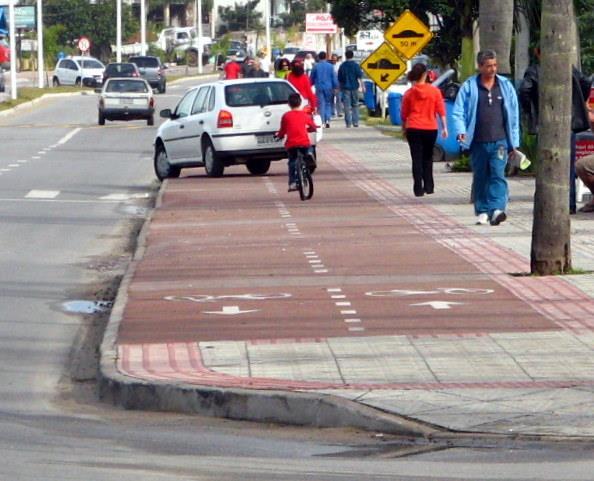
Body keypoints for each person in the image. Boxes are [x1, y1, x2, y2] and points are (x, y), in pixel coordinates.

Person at [519, 48, 592, 213]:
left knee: (547, 165)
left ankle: (549, 204)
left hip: (547, 124)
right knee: (568, 166)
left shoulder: (535, 70)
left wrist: (531, 111)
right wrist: (578, 103)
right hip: (568, 124)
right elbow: (586, 82)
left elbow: (524, 91)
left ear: (538, 53)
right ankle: (569, 205)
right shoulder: (568, 68)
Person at [452, 49, 520, 226]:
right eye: (489, 66)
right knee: (481, 176)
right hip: (477, 141)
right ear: (480, 66)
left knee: (498, 174)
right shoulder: (469, 87)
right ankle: (482, 210)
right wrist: (461, 132)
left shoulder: (505, 86)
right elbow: (458, 112)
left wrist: (514, 142)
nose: (493, 69)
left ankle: (497, 209)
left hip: (500, 141)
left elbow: (514, 115)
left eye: (495, 65)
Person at [401, 63, 448, 197]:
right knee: (428, 157)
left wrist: (404, 127)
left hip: (413, 127)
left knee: (416, 158)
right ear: (426, 74)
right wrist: (445, 127)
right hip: (430, 128)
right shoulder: (434, 92)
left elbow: (404, 114)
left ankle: (418, 188)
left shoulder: (409, 93)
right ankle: (429, 185)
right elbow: (441, 110)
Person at [276, 93, 318, 192]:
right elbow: (312, 125)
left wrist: (279, 136)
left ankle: (292, 183)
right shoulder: (304, 115)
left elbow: (282, 130)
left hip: (291, 144)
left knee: (292, 162)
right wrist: (312, 129)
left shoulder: (286, 116)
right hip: (304, 143)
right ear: (300, 103)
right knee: (309, 146)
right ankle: (309, 155)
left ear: (289, 104)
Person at [310, 51, 338, 128]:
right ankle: (328, 119)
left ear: (319, 57)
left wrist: (310, 84)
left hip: (319, 87)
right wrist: (336, 86)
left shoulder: (316, 66)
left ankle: (322, 121)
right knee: (328, 103)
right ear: (325, 57)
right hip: (329, 87)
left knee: (321, 104)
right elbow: (334, 77)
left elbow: (312, 77)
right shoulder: (330, 66)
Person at [337, 49, 364, 128]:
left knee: (346, 106)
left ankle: (348, 123)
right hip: (354, 87)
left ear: (346, 56)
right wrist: (363, 86)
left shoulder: (342, 66)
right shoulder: (356, 65)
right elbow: (360, 76)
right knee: (355, 105)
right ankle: (355, 122)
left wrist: (339, 87)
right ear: (353, 56)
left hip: (345, 88)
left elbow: (339, 78)